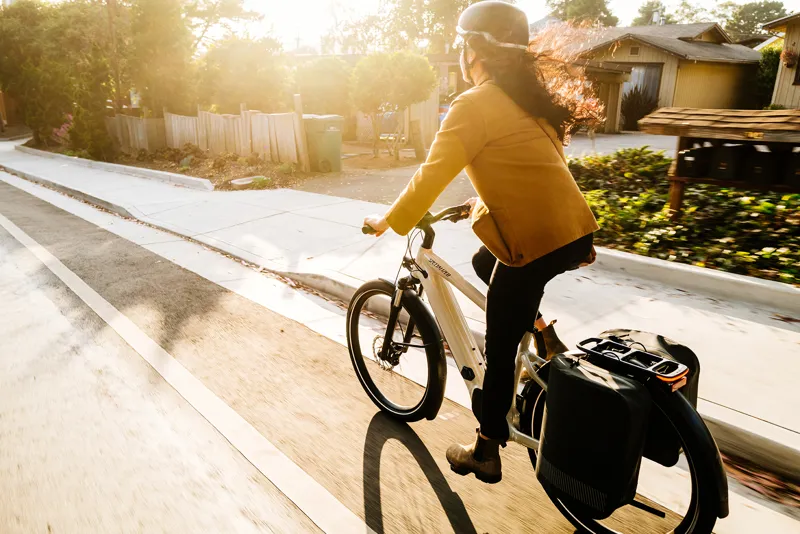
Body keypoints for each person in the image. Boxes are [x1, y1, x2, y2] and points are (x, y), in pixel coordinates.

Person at [362, 1, 598, 484]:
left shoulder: (475, 104)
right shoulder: (525, 102)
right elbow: (529, 169)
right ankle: (543, 331)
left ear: (475, 50)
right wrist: (481, 203)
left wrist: (389, 220)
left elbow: (430, 176)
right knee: (480, 257)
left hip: (535, 244)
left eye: (462, 47)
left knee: (499, 346)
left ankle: (486, 449)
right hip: (572, 232)